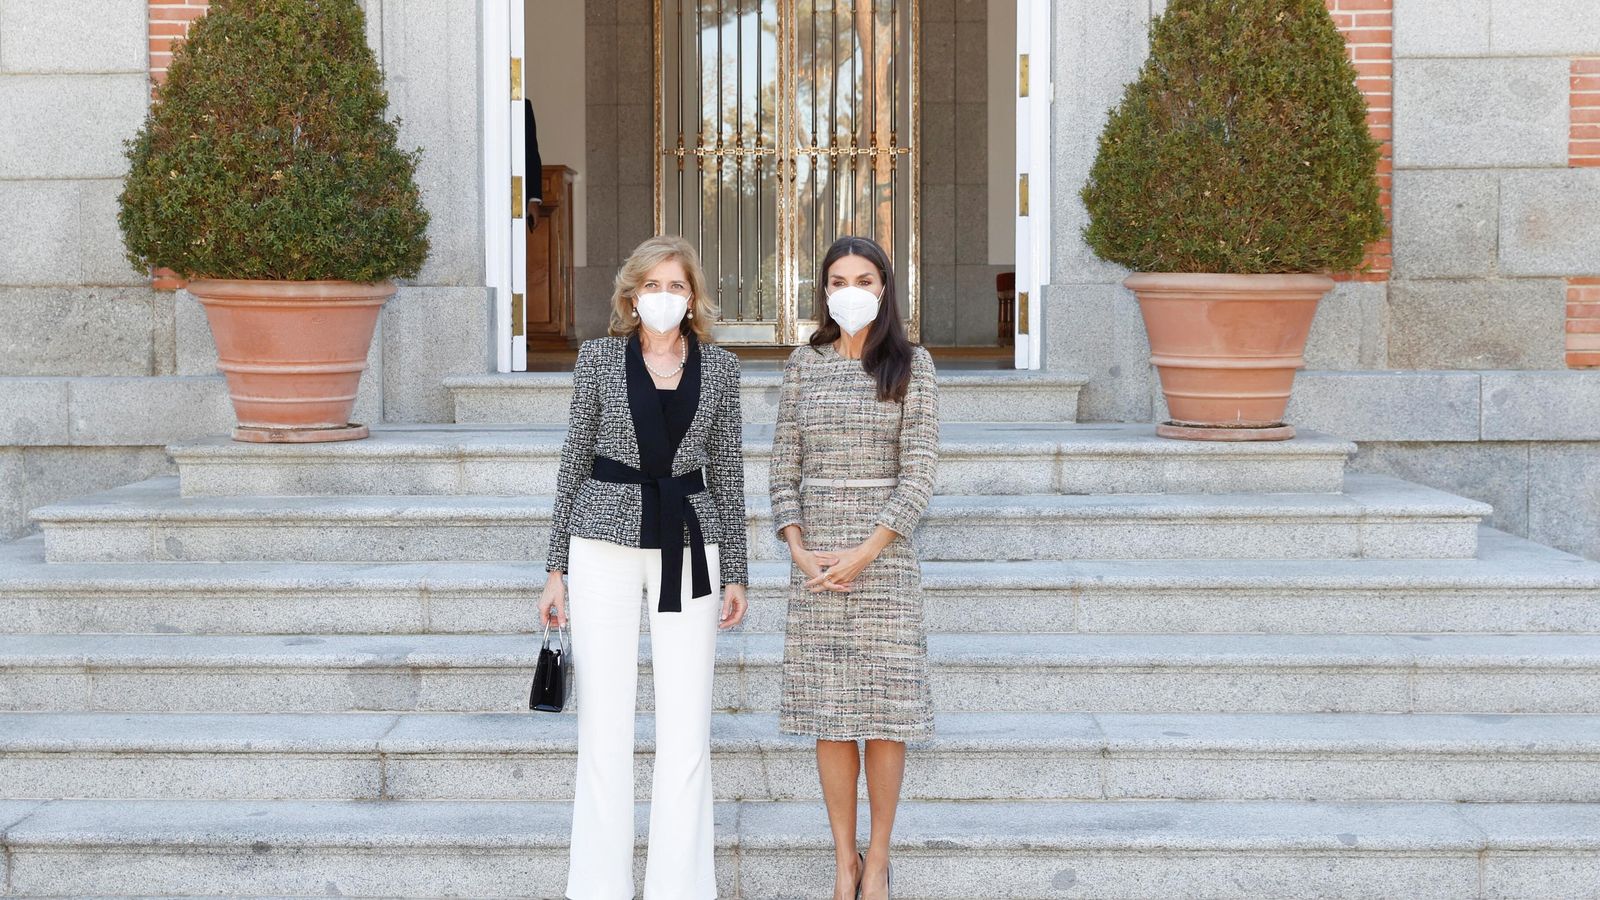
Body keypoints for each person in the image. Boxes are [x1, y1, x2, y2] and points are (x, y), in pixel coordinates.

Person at [539, 234, 749, 900]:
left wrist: (737, 571)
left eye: (677, 286)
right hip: (601, 542)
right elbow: (574, 458)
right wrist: (554, 569)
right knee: (604, 724)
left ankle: (679, 889)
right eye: (652, 286)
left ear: (694, 297)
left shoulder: (720, 368)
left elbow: (731, 473)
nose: (664, 297)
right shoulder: (598, 359)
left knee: (685, 726)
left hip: (689, 539)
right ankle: (597, 888)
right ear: (632, 295)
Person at [768, 235, 939, 900]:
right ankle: (844, 858)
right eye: (838, 279)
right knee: (832, 717)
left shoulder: (911, 364)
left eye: (863, 278)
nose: (850, 289)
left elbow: (919, 470)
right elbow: (784, 463)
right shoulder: (802, 364)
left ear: (884, 287)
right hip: (816, 567)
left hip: (885, 563)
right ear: (824, 290)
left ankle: (879, 860)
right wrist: (797, 544)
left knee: (886, 718)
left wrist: (867, 552)